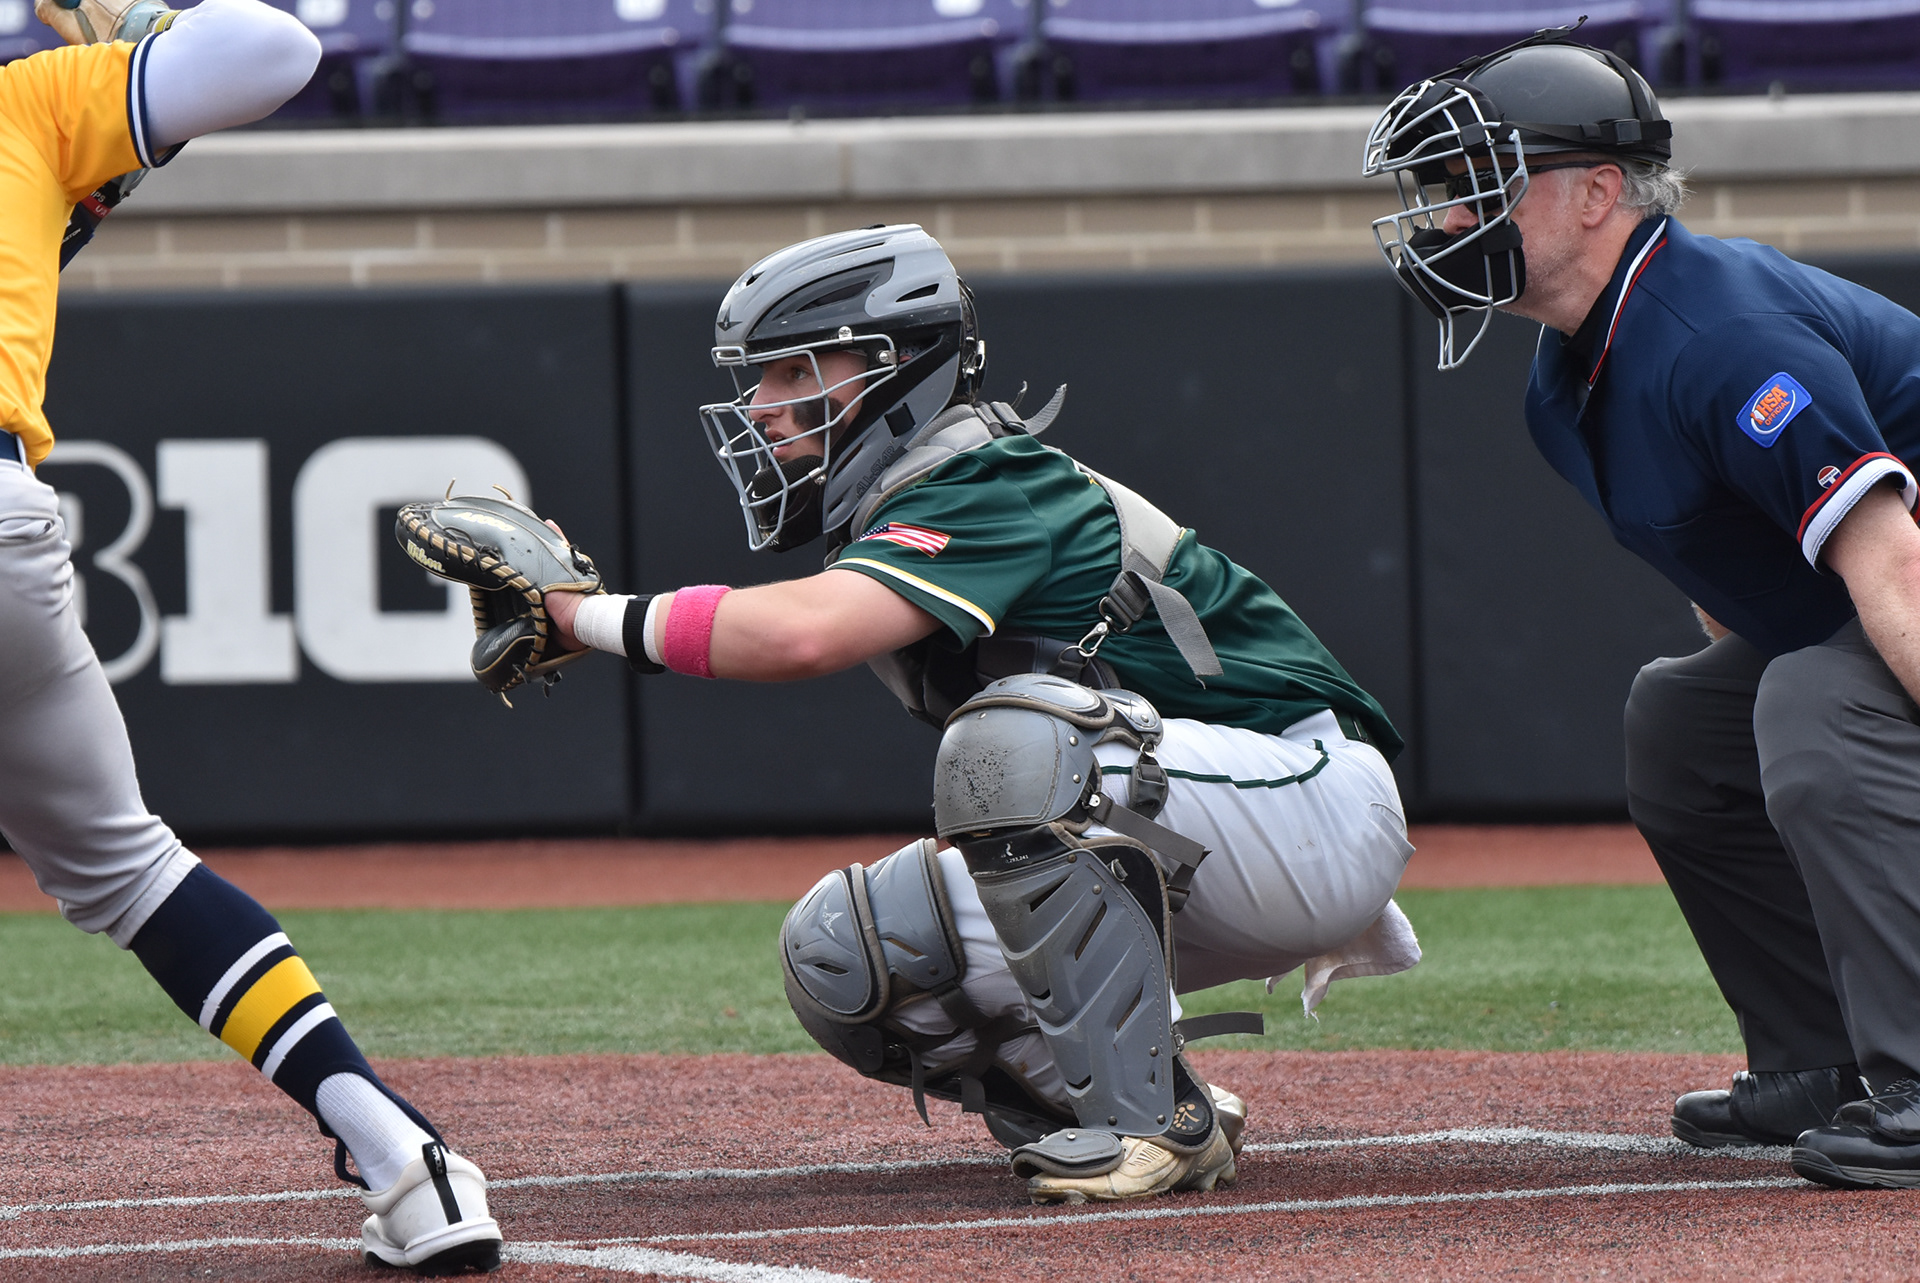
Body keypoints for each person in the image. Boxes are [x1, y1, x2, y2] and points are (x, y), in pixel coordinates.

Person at [545, 224, 1421, 1205]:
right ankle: (1148, 1100)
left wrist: (583, 616)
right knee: (847, 950)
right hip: (1204, 821)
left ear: (897, 370)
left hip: (1310, 800)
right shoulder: (918, 493)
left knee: (1010, 743)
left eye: (794, 370)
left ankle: (1147, 1122)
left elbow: (801, 635)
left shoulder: (987, 479)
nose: (761, 405)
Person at [1365, 28, 1920, 1189]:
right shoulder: (1567, 375)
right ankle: (1821, 1056)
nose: (1449, 218)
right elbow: (1738, 586)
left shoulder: (1718, 334)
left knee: (1815, 703)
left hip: (1905, 574)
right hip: (1881, 590)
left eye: (1477, 183)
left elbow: (1892, 564)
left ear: (1596, 194)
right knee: (1682, 722)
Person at [8, 0, 500, 1270]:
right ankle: (404, 1156)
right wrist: (136, 26)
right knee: (133, 872)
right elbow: (278, 48)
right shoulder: (28, 100)